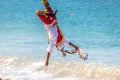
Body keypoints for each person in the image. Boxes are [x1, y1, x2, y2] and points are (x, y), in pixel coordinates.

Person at [36, 0, 79, 66]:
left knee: (58, 43)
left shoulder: (46, 16)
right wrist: (53, 17)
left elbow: (48, 9)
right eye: (41, 12)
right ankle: (73, 48)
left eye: (41, 12)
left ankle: (47, 61)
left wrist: (52, 16)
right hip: (53, 29)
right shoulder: (45, 18)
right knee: (61, 41)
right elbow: (49, 19)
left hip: (53, 31)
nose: (42, 12)